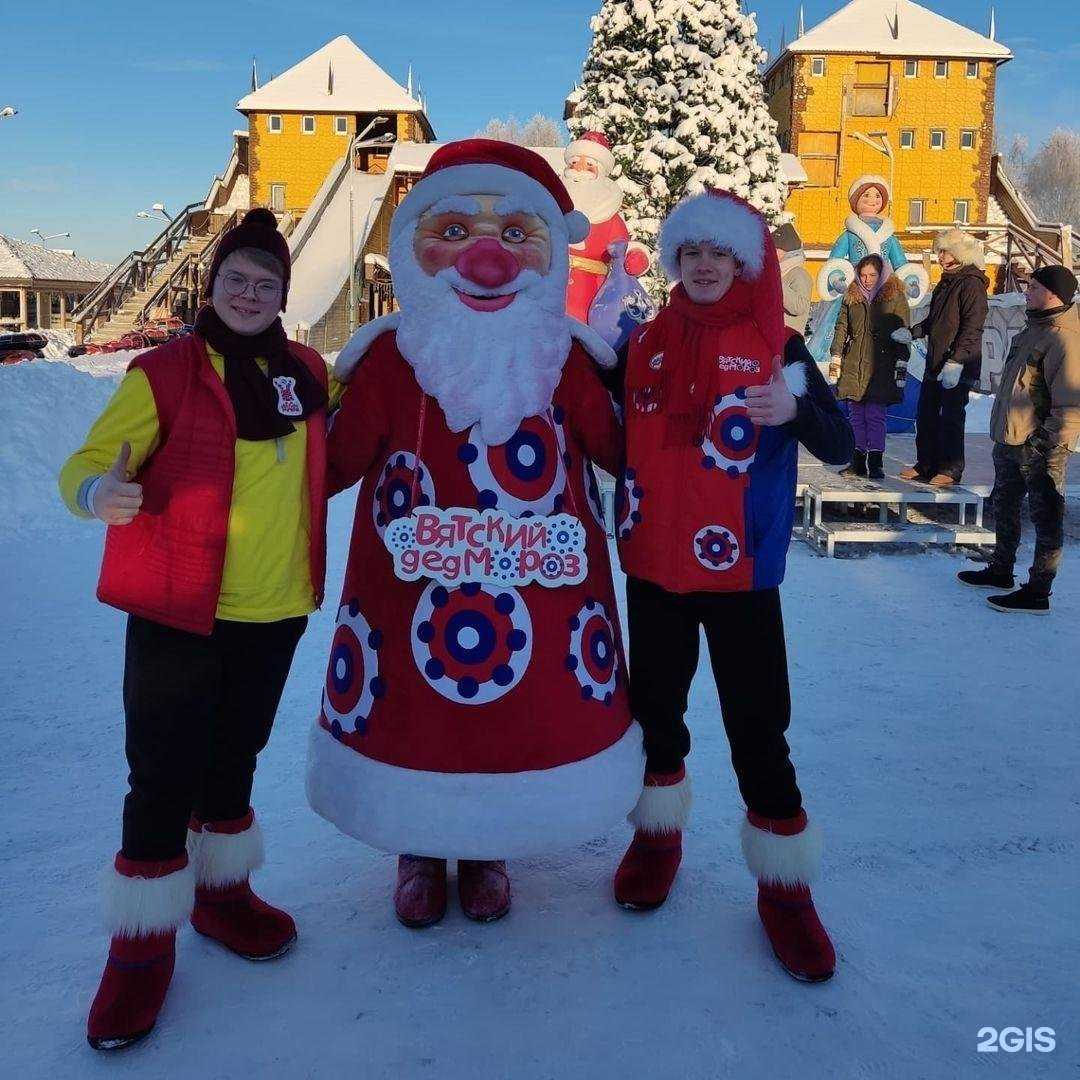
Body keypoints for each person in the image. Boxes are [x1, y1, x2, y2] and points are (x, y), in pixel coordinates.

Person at [308, 140, 644, 929]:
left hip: (541, 592)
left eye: (515, 235)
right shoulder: (392, 357)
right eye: (454, 233)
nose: (486, 259)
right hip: (407, 591)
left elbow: (621, 449)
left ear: (550, 251)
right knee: (419, 717)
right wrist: (251, 432)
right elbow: (334, 461)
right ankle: (417, 845)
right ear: (415, 247)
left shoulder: (563, 357)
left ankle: (489, 844)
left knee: (508, 719)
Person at [59, 209, 330, 1051]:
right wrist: (98, 496)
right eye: (236, 280)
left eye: (266, 283)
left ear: (285, 295)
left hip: (276, 607)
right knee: (161, 775)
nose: (250, 294)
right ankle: (139, 951)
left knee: (234, 760)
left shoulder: (307, 370)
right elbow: (82, 465)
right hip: (180, 606)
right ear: (212, 285)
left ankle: (219, 896)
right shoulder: (164, 372)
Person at [605, 189, 852, 982]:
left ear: (744, 262)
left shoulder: (776, 341)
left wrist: (798, 410)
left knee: (757, 726)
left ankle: (784, 889)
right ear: (676, 261)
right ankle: (657, 836)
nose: (704, 266)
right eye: (691, 254)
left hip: (740, 573)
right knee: (654, 714)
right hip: (652, 568)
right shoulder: (643, 343)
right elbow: (594, 421)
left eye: (719, 254)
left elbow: (843, 445)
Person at [958, 264, 1079, 614]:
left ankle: (1038, 590)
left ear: (1053, 293)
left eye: (1033, 287)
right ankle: (1001, 569)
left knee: (1046, 516)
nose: (1026, 292)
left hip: (1040, 445)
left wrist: (1046, 441)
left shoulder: (1064, 337)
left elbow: (1071, 401)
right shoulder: (1033, 328)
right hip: (1012, 438)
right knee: (1005, 506)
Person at [894, 229, 989, 486]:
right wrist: (913, 332)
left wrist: (957, 361)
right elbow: (935, 321)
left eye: (945, 251)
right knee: (926, 414)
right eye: (939, 251)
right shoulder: (946, 282)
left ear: (959, 253)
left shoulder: (971, 284)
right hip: (936, 362)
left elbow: (972, 327)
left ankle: (950, 469)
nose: (940, 256)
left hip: (957, 364)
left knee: (951, 417)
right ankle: (926, 464)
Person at [830, 254, 910, 480]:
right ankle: (857, 461)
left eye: (872, 275)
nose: (866, 280)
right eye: (863, 275)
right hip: (854, 361)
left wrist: (902, 361)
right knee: (855, 414)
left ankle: (876, 461)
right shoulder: (852, 296)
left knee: (875, 415)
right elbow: (842, 326)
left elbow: (903, 331)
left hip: (881, 364)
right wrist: (836, 354)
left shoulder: (895, 296)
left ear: (881, 274)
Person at [562, 130, 650, 323]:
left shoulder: (607, 214)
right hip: (547, 284)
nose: (578, 170)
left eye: (589, 166)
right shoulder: (553, 205)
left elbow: (623, 245)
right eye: (574, 163)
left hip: (591, 290)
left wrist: (636, 256)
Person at [773, 222, 813, 335]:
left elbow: (800, 307)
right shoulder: (780, 273)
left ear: (788, 251)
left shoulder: (798, 274)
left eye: (776, 249)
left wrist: (776, 284)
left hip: (788, 340)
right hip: (772, 338)